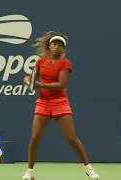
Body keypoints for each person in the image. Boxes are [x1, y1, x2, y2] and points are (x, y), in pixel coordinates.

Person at [21, 31, 99, 180]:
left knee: (71, 137)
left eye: (60, 45)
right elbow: (32, 81)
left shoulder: (65, 63)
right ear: (49, 46)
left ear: (63, 49)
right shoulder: (40, 62)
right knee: (35, 137)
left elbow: (61, 84)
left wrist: (40, 84)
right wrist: (27, 81)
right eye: (54, 44)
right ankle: (29, 172)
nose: (56, 47)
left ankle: (89, 169)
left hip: (60, 103)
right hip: (43, 103)